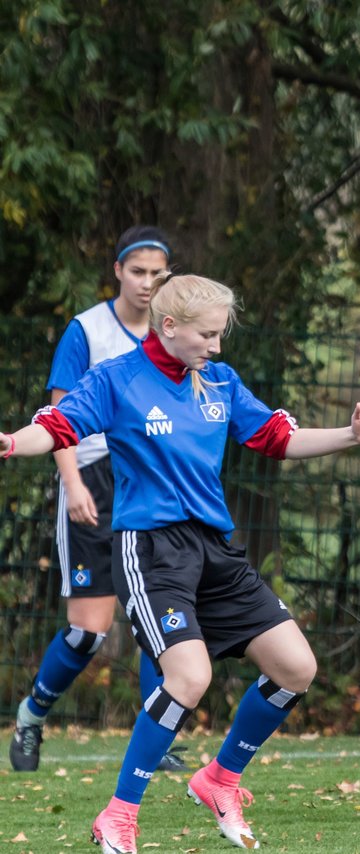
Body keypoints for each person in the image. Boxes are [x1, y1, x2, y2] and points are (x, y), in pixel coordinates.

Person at [0, 274, 360, 854]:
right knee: (190, 677)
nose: (217, 345)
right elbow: (55, 430)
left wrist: (350, 437)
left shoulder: (220, 382)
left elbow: (278, 438)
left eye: (220, 334)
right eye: (207, 334)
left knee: (295, 668)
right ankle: (119, 815)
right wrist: (9, 442)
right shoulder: (117, 379)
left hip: (216, 550)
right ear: (170, 327)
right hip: (152, 549)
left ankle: (220, 779)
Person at [10, 226, 188, 774]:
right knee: (90, 630)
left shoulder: (174, 334)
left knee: (160, 620)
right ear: (117, 271)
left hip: (149, 483)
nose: (148, 283)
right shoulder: (86, 330)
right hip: (91, 478)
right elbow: (59, 414)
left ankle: (154, 742)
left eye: (158, 274)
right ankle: (32, 716)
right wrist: (73, 484)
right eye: (138, 272)